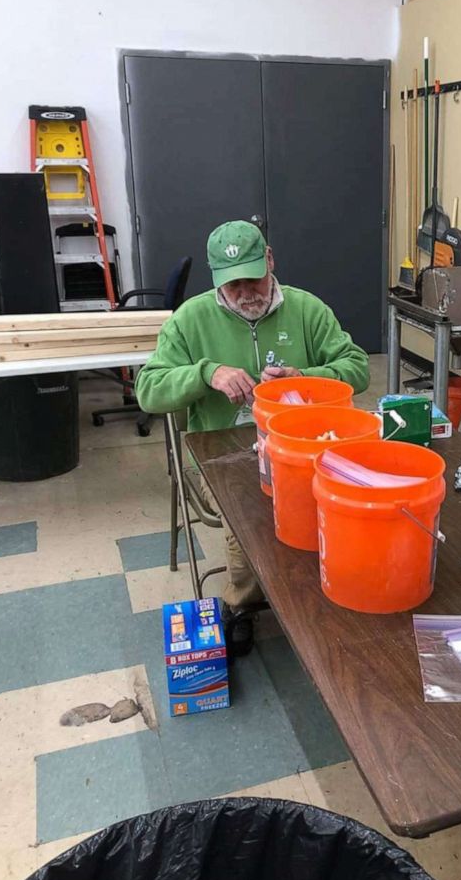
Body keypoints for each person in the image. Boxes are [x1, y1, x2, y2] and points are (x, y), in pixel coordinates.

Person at [136, 220, 370, 654]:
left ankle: (323, 583)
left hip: (303, 444)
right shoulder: (190, 319)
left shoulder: (307, 309)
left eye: (252, 277)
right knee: (249, 509)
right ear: (215, 281)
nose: (246, 292)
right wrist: (205, 373)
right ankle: (241, 604)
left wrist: (306, 376)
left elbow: (357, 369)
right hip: (221, 450)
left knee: (344, 493)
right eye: (232, 285)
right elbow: (149, 391)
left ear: (270, 260)